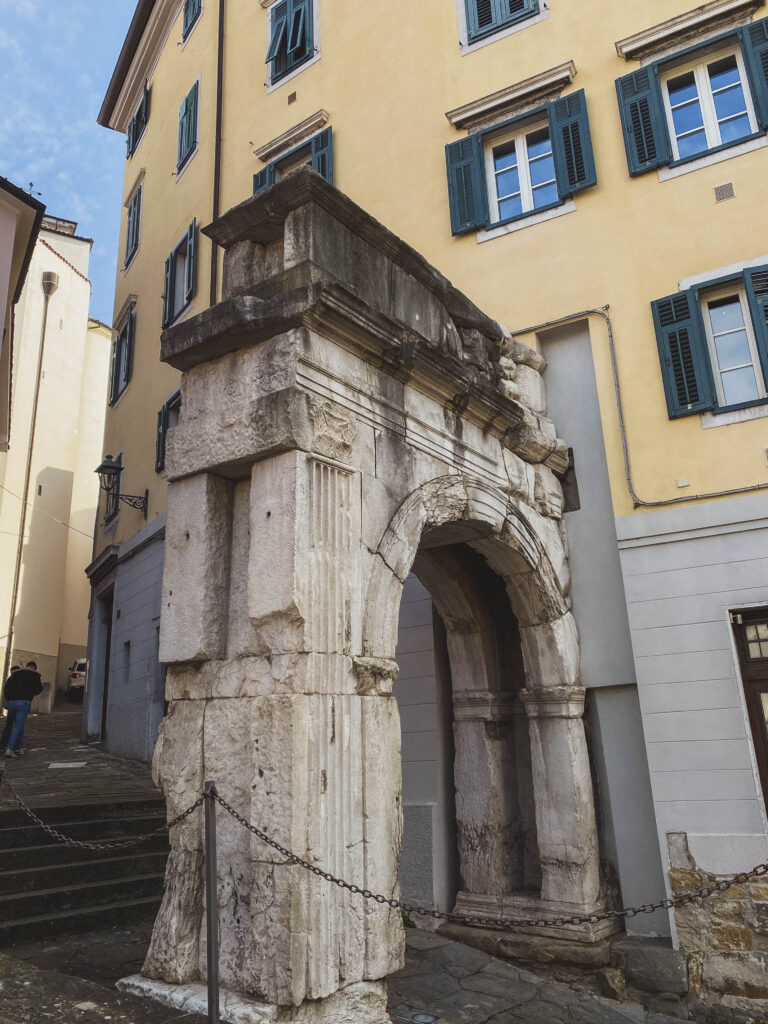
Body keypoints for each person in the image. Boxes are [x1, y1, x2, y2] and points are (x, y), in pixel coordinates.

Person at [3, 661, 42, 758]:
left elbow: (6, 687)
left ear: (26, 666)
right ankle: (10, 748)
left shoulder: (15, 674)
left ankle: (20, 747)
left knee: (18, 726)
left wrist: (9, 699)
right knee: (18, 726)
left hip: (12, 703)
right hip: (24, 703)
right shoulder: (34, 676)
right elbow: (38, 689)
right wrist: (30, 694)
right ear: (33, 668)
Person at [0, 666, 21, 754]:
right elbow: (6, 693)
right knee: (14, 725)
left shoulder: (14, 680)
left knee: (12, 725)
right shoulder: (14, 680)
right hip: (14, 705)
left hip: (14, 705)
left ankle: (7, 744)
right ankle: (10, 745)